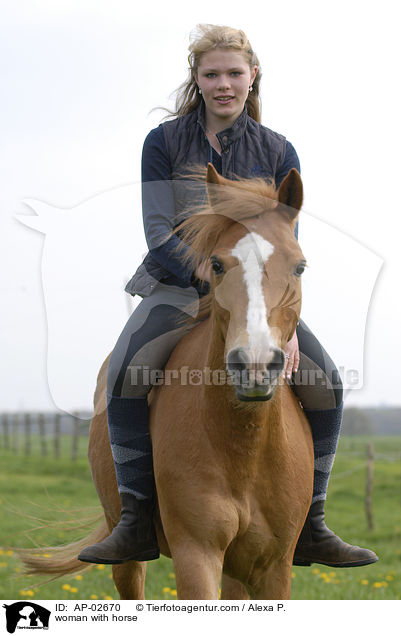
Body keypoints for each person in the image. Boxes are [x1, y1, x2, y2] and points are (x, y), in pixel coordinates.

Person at [78, 24, 378, 568]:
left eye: (234, 73)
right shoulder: (163, 143)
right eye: (211, 73)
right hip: (179, 285)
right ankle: (134, 521)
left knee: (328, 381)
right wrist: (209, 276)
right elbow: (157, 230)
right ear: (196, 79)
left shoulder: (279, 149)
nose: (223, 84)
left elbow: (286, 242)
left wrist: (278, 328)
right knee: (125, 372)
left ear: (252, 76)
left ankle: (311, 524)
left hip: (259, 296)